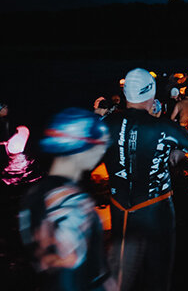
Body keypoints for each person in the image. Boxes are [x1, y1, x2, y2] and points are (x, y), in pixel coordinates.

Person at [102, 68, 188, 291]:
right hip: (155, 211)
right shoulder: (164, 127)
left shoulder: (106, 124)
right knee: (157, 278)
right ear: (151, 94)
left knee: (121, 277)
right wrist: (177, 150)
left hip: (119, 211)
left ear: (126, 94)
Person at [18, 108, 116, 291]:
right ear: (79, 147)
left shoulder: (33, 193)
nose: (102, 149)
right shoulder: (72, 203)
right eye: (98, 143)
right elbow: (70, 276)